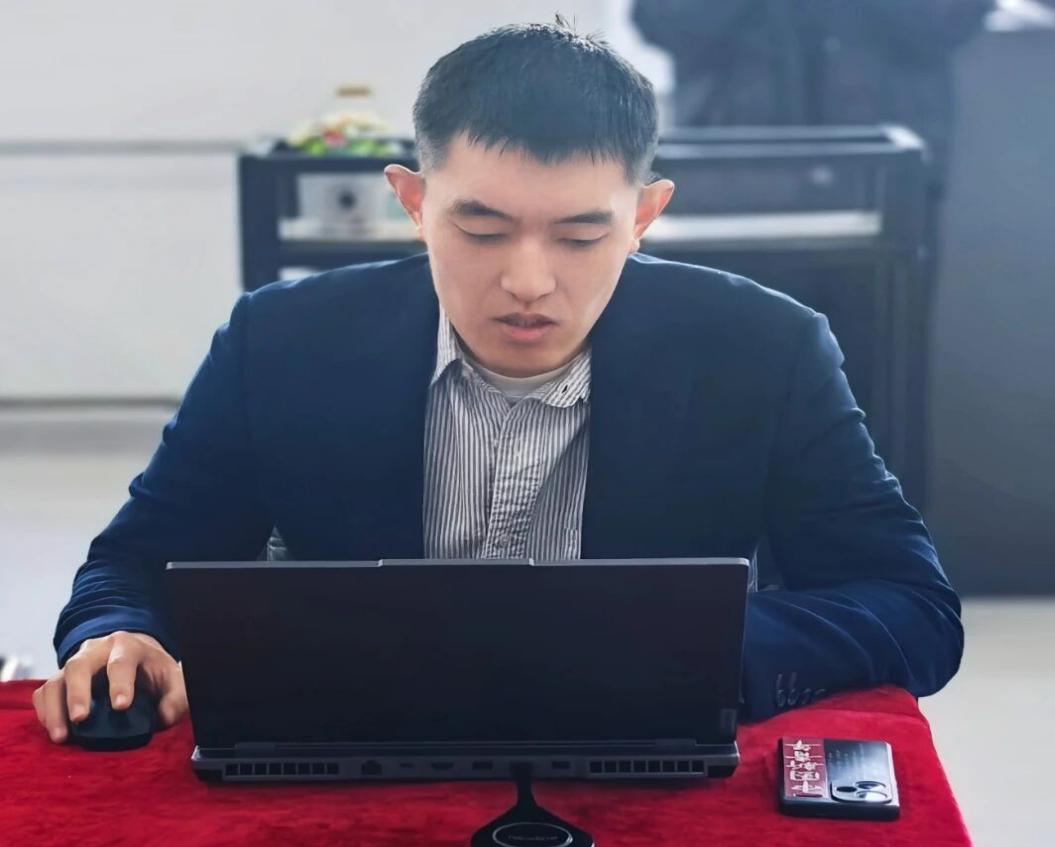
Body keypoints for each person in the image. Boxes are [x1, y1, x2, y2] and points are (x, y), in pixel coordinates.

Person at [33, 18, 962, 745]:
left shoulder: (763, 347)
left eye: (581, 235)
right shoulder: (280, 340)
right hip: (346, 743)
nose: (527, 281)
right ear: (413, 202)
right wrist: (117, 632)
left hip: (641, 754)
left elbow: (911, 606)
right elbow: (134, 563)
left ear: (643, 216)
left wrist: (689, 647)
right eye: (480, 231)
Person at [633, 0, 993, 506]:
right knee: (731, 391)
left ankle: (883, 548)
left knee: (881, 393)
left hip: (883, 181)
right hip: (738, 186)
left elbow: (949, 20)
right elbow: (664, 20)